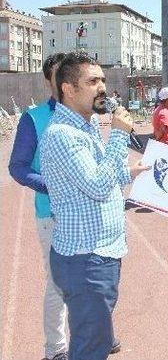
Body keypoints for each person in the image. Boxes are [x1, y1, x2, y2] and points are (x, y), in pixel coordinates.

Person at [40, 52, 149, 360]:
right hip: (86, 259)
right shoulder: (64, 135)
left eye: (102, 79)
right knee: (90, 349)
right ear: (68, 89)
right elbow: (99, 187)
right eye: (92, 81)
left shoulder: (85, 127)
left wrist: (129, 171)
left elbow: (98, 176)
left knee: (93, 340)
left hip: (97, 254)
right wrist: (118, 134)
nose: (102, 87)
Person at [8, 53, 71, 360]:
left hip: (88, 214)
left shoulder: (86, 116)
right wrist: (53, 185)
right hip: (53, 216)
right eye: (61, 74)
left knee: (94, 279)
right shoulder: (33, 118)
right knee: (58, 285)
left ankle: (98, 333)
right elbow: (18, 167)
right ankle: (56, 349)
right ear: (50, 80)